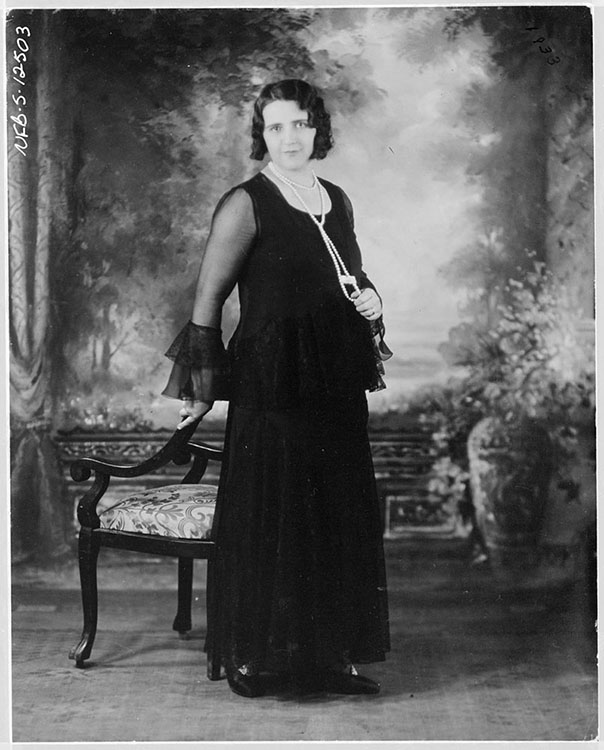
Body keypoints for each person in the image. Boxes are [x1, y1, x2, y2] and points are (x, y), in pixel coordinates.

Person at [162, 79, 392, 698]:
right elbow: (208, 303)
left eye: (300, 125)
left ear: (318, 129)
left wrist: (371, 299)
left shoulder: (335, 199)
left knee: (333, 511)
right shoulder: (246, 203)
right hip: (272, 382)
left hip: (334, 379)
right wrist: (203, 388)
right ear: (263, 136)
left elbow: (346, 274)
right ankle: (251, 656)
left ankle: (327, 658)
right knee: (275, 514)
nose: (290, 138)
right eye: (276, 127)